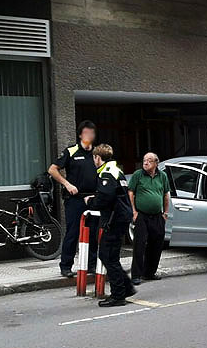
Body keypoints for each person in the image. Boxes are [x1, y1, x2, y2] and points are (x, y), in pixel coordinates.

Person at [84, 144, 136, 307]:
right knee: (111, 257)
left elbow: (105, 198)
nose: (93, 161)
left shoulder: (107, 174)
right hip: (118, 218)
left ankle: (118, 296)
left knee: (107, 256)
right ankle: (125, 288)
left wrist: (90, 201)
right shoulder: (116, 171)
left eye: (94, 158)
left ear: (98, 158)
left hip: (114, 220)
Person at [48, 120, 99, 278]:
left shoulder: (97, 154)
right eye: (86, 132)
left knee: (93, 233)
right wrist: (67, 184)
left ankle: (91, 265)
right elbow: (52, 169)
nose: (89, 135)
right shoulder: (71, 151)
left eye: (91, 132)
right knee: (73, 232)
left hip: (92, 198)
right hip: (75, 199)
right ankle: (66, 266)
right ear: (80, 135)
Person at [128, 152, 170, 286]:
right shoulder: (138, 175)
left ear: (156, 163)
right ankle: (136, 275)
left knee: (157, 244)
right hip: (142, 215)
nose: (145, 163)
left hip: (157, 215)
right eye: (144, 160)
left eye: (149, 160)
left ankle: (150, 272)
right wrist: (134, 211)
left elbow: (166, 194)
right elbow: (131, 193)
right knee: (139, 244)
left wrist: (165, 212)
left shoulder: (162, 176)